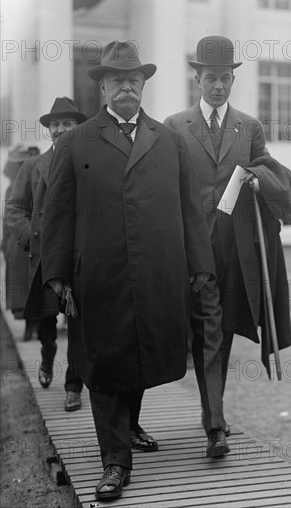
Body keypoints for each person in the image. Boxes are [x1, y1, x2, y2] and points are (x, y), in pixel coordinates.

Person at [40, 40, 215, 501]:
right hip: (98, 274)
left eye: (133, 80)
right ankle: (115, 461)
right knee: (104, 360)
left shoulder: (170, 140)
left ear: (143, 86)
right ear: (101, 86)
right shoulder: (76, 141)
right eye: (117, 80)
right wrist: (58, 275)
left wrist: (200, 264)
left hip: (158, 271)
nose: (126, 88)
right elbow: (56, 210)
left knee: (140, 353)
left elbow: (190, 208)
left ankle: (129, 426)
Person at [164, 35, 291, 443]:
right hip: (193, 245)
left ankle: (214, 420)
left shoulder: (249, 126)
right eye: (211, 78)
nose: (219, 86)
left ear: (232, 80)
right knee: (201, 328)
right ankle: (212, 420)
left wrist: (261, 181)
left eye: (225, 79)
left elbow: (267, 168)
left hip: (236, 246)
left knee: (218, 330)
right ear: (197, 79)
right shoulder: (175, 126)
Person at [6, 98, 86, 412]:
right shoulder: (33, 166)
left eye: (67, 123)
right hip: (45, 257)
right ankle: (47, 355)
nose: (60, 129)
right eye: (55, 124)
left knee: (79, 326)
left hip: (80, 258)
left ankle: (73, 387)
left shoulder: (90, 162)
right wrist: (30, 237)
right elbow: (14, 208)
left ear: (78, 127)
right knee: (48, 322)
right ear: (49, 130)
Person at [2, 144, 40, 341]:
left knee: (30, 287)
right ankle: (31, 325)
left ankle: (32, 326)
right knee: (27, 287)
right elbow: (8, 216)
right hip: (21, 240)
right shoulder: (15, 187)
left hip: (26, 240)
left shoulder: (26, 182)